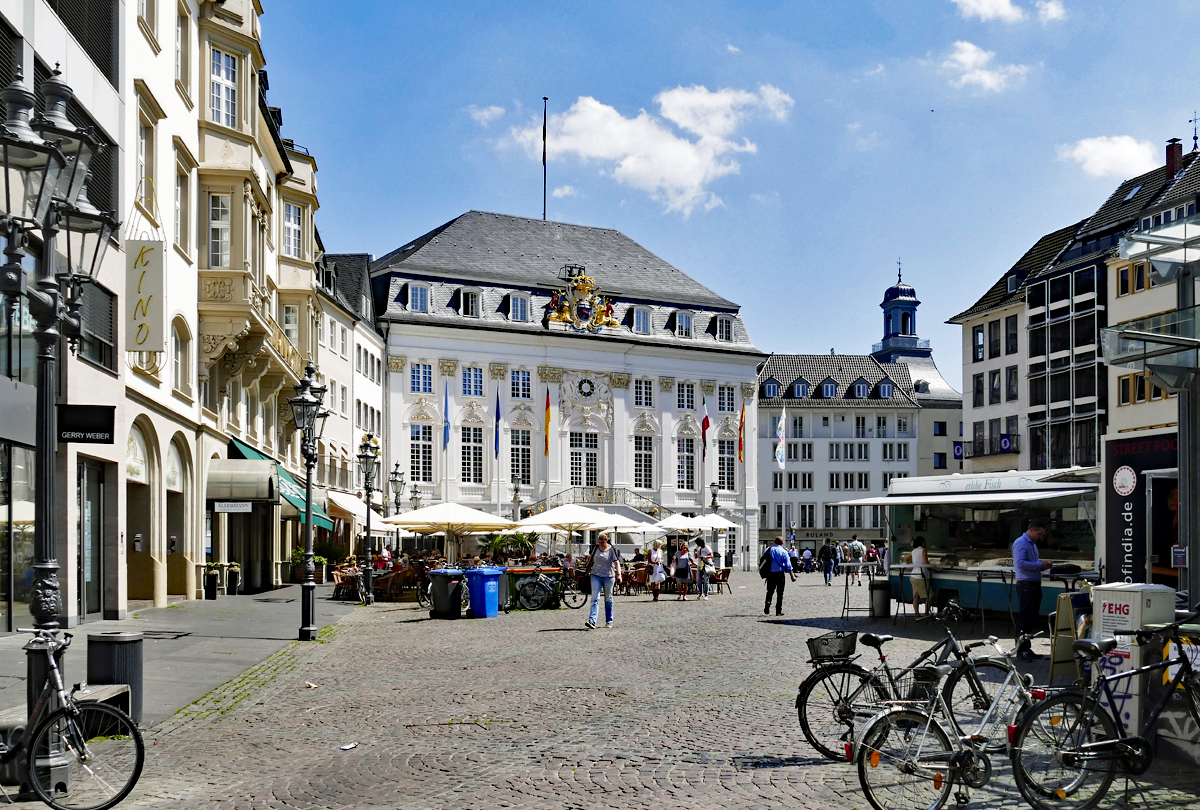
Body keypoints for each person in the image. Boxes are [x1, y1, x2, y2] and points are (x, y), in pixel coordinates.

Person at [1013, 519, 1052, 661]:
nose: (1040, 537)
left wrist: (1040, 565)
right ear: (1032, 530)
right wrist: (1040, 565)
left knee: (1030, 618)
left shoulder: (1032, 544)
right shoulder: (1021, 543)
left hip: (1034, 584)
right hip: (1026, 585)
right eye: (1039, 534)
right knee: (1024, 618)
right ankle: (1020, 650)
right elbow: (1020, 563)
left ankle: (1026, 648)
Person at [585, 533, 622, 629]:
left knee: (608, 598)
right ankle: (592, 621)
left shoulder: (611, 550)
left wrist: (619, 575)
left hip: (608, 577)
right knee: (595, 597)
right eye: (599, 542)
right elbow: (591, 561)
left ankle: (609, 620)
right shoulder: (595, 548)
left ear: (606, 540)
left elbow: (616, 562)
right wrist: (587, 572)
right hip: (595, 575)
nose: (600, 544)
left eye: (602, 542)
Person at [764, 536, 797, 616]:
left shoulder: (768, 549)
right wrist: (792, 576)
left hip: (771, 573)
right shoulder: (784, 552)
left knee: (770, 591)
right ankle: (778, 610)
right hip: (780, 574)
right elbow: (788, 565)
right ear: (782, 543)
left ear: (775, 541)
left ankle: (767, 605)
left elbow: (764, 560)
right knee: (780, 593)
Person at [910, 536, 931, 618]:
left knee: (916, 596)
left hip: (913, 575)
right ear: (922, 543)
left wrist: (912, 566)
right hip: (921, 576)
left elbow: (905, 558)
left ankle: (916, 614)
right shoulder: (923, 550)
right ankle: (926, 613)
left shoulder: (913, 551)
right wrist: (936, 567)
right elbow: (926, 563)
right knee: (930, 595)